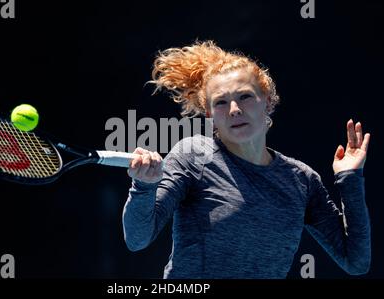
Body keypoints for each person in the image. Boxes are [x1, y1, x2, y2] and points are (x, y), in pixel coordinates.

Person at [122, 40, 371, 279]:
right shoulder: (193, 156)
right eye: (221, 102)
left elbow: (355, 262)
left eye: (245, 97)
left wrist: (350, 178)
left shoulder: (302, 180)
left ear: (268, 100)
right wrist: (144, 186)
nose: (234, 110)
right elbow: (137, 239)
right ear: (209, 115)